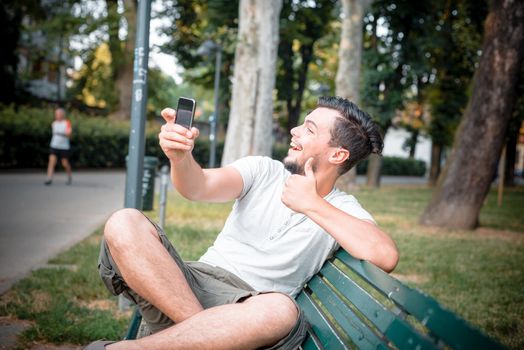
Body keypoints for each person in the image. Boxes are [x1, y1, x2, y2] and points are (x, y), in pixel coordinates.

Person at [85, 96, 399, 350]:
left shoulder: (342, 208)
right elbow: (198, 187)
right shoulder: (264, 171)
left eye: (309, 129)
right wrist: (180, 157)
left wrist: (312, 204)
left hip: (250, 312)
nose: (294, 131)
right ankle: (200, 335)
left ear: (337, 155)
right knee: (124, 221)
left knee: (282, 310)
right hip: (187, 288)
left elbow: (385, 255)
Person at [45, 107, 73, 185]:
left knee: (65, 163)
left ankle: (69, 176)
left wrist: (64, 134)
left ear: (63, 115)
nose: (58, 115)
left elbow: (69, 134)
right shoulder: (54, 123)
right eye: (56, 114)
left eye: (59, 114)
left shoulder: (66, 122)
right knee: (52, 161)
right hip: (54, 145)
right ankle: (49, 178)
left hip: (64, 147)